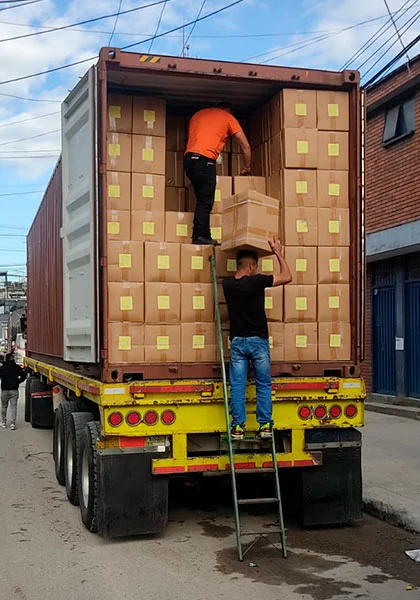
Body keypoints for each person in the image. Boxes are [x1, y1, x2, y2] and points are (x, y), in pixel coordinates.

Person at [222, 237, 292, 440]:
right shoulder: (257, 281)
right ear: (252, 266)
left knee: (237, 385)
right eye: (256, 266)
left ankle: (238, 427)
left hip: (238, 342)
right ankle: (265, 426)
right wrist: (278, 252)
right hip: (258, 341)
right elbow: (287, 276)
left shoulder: (227, 284)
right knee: (263, 384)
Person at [184, 102, 251, 246]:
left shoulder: (198, 114)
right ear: (228, 111)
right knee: (205, 201)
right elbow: (245, 146)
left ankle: (203, 235)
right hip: (204, 161)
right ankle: (200, 236)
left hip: (188, 161)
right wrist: (246, 167)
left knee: (201, 199)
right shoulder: (228, 117)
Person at [0, 352, 27, 430]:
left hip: (4, 390)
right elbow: (23, 375)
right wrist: (18, 382)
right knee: (13, 407)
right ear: (13, 359)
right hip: (14, 390)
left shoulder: (2, 368)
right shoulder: (16, 367)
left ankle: (3, 422)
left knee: (4, 407)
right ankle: (12, 424)